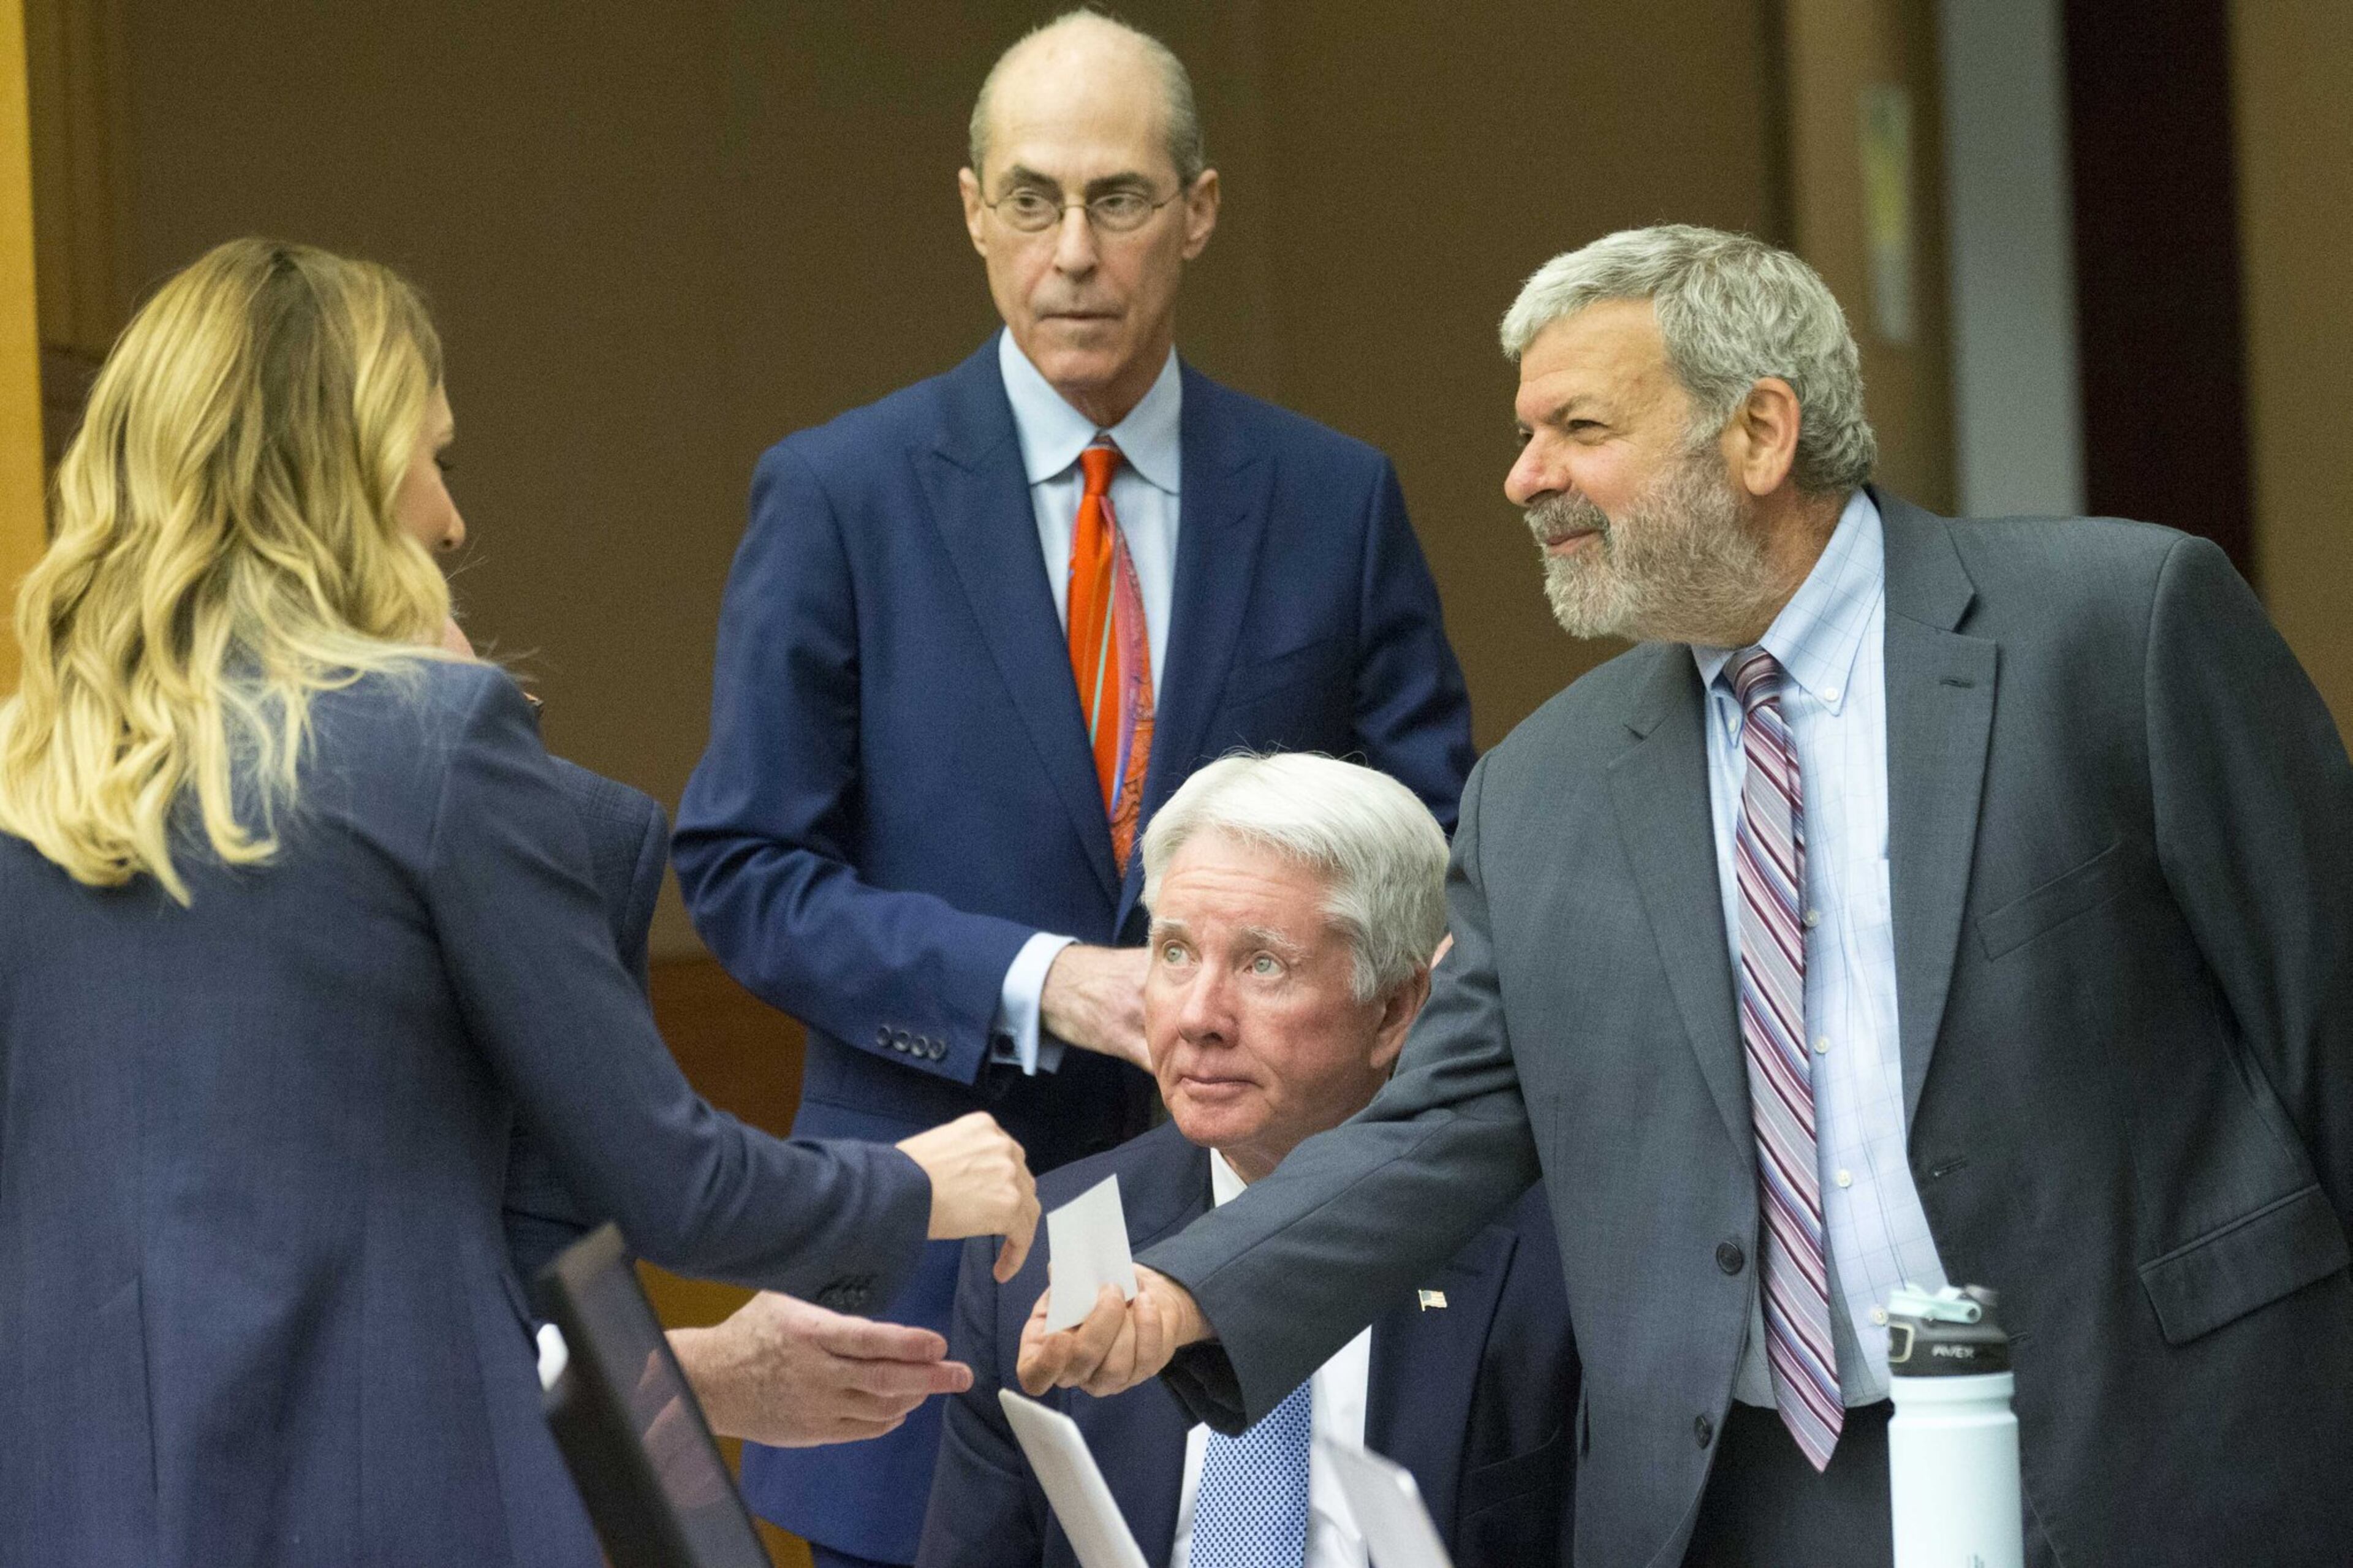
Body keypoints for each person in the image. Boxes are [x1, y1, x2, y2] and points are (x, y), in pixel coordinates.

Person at [1017, 225, 2353, 1568]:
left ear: (1761, 432)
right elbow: (1442, 1124)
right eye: (1525, 430)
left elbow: (2327, 1021)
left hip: (2156, 1440)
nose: (1524, 476)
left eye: (1576, 427)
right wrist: (1196, 1282)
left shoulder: (2115, 628)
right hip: (1763, 1490)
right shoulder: (1541, 792)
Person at [0, 237, 1040, 1568]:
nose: (450, 518)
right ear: (341, 482)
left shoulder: (31, 791)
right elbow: (670, 1182)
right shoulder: (429, 742)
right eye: (431, 459)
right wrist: (916, 1183)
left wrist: (695, 1372)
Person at [673, 12, 1473, 1563]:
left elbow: (1433, 850)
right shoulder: (840, 494)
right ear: (972, 210)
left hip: (1280, 1259)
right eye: (1030, 200)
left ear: (1200, 210)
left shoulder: (1331, 497)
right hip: (933, 1282)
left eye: (1118, 199)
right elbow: (747, 866)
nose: (1074, 252)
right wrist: (1046, 982)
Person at [916, 754, 1572, 1568]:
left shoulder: (1559, 1260)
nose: (1199, 1017)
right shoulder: (1046, 1244)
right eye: (1176, 953)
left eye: (1264, 964)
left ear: (1397, 1007)